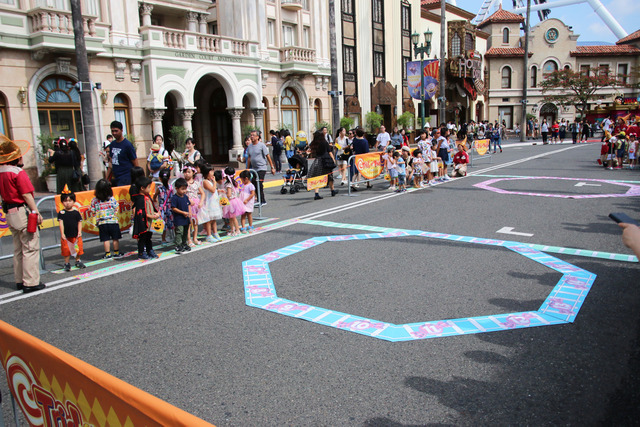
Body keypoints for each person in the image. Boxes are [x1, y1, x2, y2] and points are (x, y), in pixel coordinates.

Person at [0, 134, 46, 293]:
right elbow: (26, 194)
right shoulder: (18, 172)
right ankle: (30, 282)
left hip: (8, 212)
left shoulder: (1, 172)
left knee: (18, 248)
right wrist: (36, 211)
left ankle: (19, 280)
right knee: (30, 246)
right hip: (21, 210)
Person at [90, 179, 123, 259]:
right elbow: (116, 208)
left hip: (102, 222)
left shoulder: (94, 200)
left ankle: (107, 254)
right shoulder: (111, 199)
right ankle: (116, 252)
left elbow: (93, 211)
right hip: (113, 221)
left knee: (106, 239)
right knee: (115, 238)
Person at [131, 176, 159, 260]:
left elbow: (150, 208)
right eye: (149, 187)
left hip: (149, 222)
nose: (150, 189)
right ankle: (141, 253)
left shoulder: (147, 196)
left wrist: (155, 213)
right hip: (143, 222)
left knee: (148, 238)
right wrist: (153, 216)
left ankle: (149, 250)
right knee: (142, 238)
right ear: (142, 188)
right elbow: (142, 212)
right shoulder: (140, 199)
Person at [57, 186, 85, 272]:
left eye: (70, 201)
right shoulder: (61, 213)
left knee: (77, 248)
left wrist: (80, 232)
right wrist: (62, 233)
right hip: (66, 235)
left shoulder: (76, 212)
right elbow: (61, 223)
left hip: (75, 234)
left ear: (73, 201)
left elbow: (79, 222)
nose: (67, 203)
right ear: (62, 202)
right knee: (66, 249)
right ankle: (67, 263)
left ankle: (78, 260)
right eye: (65, 201)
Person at [246, 130, 275, 206]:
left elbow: (267, 156)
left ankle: (262, 200)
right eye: (251, 135)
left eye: (253, 135)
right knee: (253, 183)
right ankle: (259, 200)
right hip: (254, 168)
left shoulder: (262, 145)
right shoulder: (249, 146)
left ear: (257, 137)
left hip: (262, 167)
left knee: (259, 183)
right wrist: (247, 168)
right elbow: (249, 158)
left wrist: (272, 167)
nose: (251, 137)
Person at [307, 130, 338, 200]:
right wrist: (333, 160)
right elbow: (329, 152)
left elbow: (310, 151)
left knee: (317, 176)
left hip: (318, 160)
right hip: (326, 160)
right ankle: (332, 190)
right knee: (330, 175)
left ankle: (316, 193)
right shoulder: (324, 142)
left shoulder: (314, 143)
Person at [107, 121, 138, 186]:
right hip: (115, 177)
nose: (114, 133)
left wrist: (138, 179)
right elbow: (111, 162)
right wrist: (106, 179)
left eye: (116, 131)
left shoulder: (127, 145)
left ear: (121, 130)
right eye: (112, 131)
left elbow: (135, 162)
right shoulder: (112, 144)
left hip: (126, 178)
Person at [197, 163, 222, 243]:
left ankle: (215, 233)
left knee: (213, 219)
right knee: (209, 220)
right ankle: (209, 235)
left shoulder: (209, 181)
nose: (212, 172)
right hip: (208, 203)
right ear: (207, 172)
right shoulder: (205, 182)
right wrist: (214, 182)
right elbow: (212, 190)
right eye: (211, 171)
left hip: (213, 202)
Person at [182, 164, 204, 246]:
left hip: (196, 204)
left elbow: (202, 193)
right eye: (185, 172)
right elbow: (181, 194)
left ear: (193, 173)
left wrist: (201, 202)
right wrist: (188, 200)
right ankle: (189, 239)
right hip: (186, 205)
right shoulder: (182, 183)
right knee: (188, 223)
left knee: (195, 222)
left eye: (188, 172)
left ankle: (195, 238)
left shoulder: (196, 183)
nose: (186, 174)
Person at [170, 178, 191, 253]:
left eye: (185, 189)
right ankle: (178, 245)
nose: (184, 191)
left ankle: (184, 243)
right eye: (182, 189)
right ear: (176, 188)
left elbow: (188, 204)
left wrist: (189, 214)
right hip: (179, 218)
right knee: (179, 231)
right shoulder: (175, 198)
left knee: (185, 231)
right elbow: (174, 208)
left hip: (186, 217)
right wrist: (183, 212)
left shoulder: (185, 197)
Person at [222, 166, 244, 236]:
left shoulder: (228, 184)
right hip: (234, 200)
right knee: (231, 217)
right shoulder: (234, 182)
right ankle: (232, 230)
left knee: (233, 217)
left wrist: (223, 193)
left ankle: (237, 230)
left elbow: (228, 194)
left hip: (231, 201)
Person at [154, 168, 174, 245]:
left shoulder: (159, 188)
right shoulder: (171, 187)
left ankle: (163, 239)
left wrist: (155, 200)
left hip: (162, 208)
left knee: (163, 223)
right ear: (169, 178)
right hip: (170, 206)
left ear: (160, 178)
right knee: (171, 222)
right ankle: (174, 236)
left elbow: (155, 196)